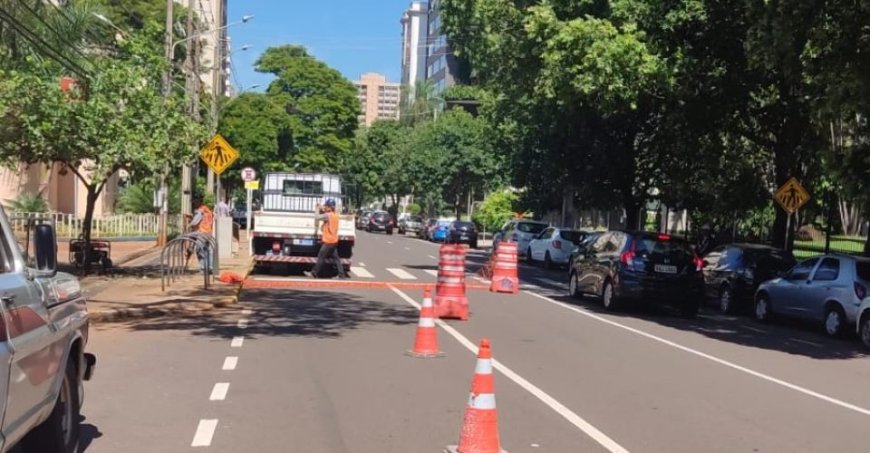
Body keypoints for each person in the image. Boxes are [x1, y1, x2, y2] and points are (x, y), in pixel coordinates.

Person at [307, 198, 349, 279]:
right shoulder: (335, 214)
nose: (325, 207)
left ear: (330, 207)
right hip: (334, 240)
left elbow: (317, 217)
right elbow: (327, 211)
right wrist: (321, 207)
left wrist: (317, 209)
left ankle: (314, 273)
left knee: (321, 256)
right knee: (336, 258)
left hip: (328, 241)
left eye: (326, 206)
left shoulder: (327, 215)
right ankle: (341, 275)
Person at [189, 197, 214, 274]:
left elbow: (195, 222)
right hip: (209, 232)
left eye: (194, 203)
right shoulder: (208, 210)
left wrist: (189, 224)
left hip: (202, 232)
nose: (194, 204)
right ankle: (209, 268)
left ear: (199, 202)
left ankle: (203, 269)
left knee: (199, 250)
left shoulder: (200, 211)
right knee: (207, 251)